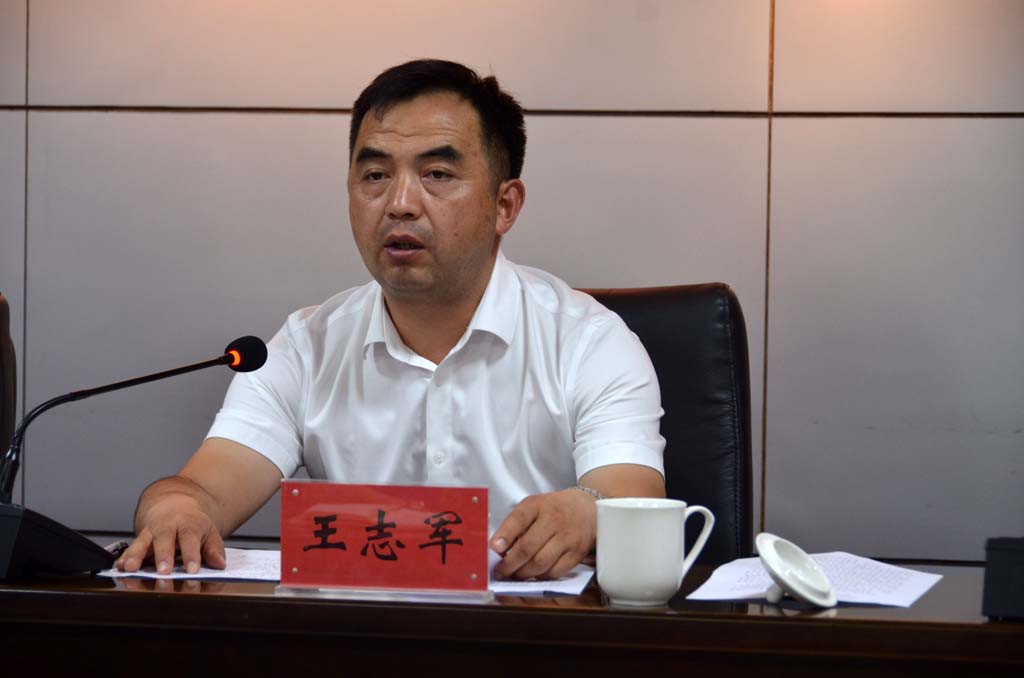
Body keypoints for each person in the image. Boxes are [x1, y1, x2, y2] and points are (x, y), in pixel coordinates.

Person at [117, 59, 665, 580]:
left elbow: (630, 496)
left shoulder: (589, 343)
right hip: (360, 635)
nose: (400, 203)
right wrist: (175, 510)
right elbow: (203, 491)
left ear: (505, 206)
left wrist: (587, 510)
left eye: (437, 174)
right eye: (375, 174)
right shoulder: (306, 348)